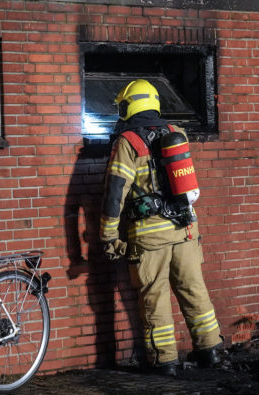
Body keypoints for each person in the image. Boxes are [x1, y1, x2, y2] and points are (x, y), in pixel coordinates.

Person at [100, 79, 222, 376]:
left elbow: (116, 191)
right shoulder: (175, 133)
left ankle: (165, 361)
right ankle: (211, 350)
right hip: (186, 229)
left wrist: (108, 235)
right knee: (194, 290)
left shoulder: (128, 142)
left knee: (154, 297)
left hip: (149, 235)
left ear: (130, 105)